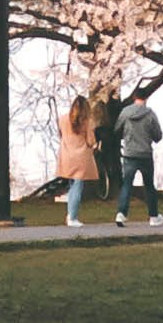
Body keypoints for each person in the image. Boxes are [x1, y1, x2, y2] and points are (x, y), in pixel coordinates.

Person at [118, 86, 163, 223]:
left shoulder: (125, 112)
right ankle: (153, 216)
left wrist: (126, 137)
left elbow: (117, 129)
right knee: (149, 185)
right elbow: (158, 135)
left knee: (127, 184)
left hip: (129, 153)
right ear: (146, 98)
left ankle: (121, 214)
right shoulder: (150, 113)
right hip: (145, 153)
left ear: (134, 98)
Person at [54, 91, 102, 228]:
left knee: (72, 185)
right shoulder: (87, 122)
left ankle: (70, 214)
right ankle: (73, 217)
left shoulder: (63, 119)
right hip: (81, 157)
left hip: (67, 155)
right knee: (77, 186)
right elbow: (90, 141)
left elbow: (61, 135)